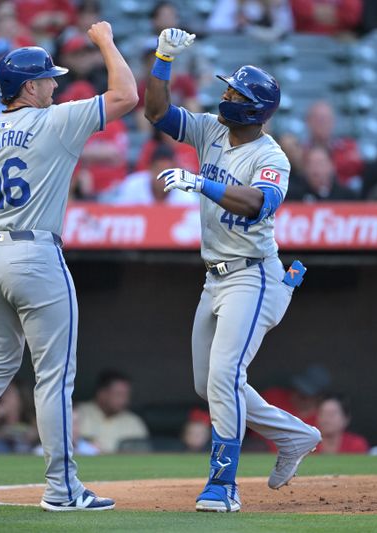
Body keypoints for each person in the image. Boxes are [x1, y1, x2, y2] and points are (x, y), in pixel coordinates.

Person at [0, 21, 138, 513]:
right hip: (35, 254)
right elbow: (126, 95)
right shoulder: (55, 120)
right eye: (47, 78)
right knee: (54, 376)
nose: (55, 84)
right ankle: (62, 489)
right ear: (29, 87)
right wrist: (104, 41)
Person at [144, 28, 321, 513]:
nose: (225, 97)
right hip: (214, 276)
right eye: (227, 90)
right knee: (209, 385)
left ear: (255, 108)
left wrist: (201, 182)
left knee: (224, 377)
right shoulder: (211, 130)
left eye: (235, 94)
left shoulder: (271, 156)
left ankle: (223, 486)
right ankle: (295, 436)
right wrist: (162, 60)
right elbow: (157, 113)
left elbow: (258, 205)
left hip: (253, 274)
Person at [74, 370, 150, 454]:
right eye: (119, 394)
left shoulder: (134, 421)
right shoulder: (77, 413)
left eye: (126, 395)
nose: (124, 400)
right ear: (102, 394)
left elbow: (143, 454)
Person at [99, 143, 198, 206]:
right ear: (150, 169)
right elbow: (119, 216)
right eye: (159, 170)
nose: (164, 178)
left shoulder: (185, 193)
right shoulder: (133, 184)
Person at [303, 100, 363, 189]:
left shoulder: (348, 147)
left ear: (333, 121)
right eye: (318, 119)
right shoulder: (301, 151)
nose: (322, 123)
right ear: (308, 122)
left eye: (326, 119)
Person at [289, 145, 358, 201]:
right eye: (311, 164)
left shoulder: (347, 197)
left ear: (331, 166)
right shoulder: (293, 196)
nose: (316, 169)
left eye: (320, 163)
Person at [290, 0, 362, 37]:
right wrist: (337, 13)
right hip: (302, 41)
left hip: (337, 41)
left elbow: (351, 17)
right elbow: (298, 9)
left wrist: (314, 12)